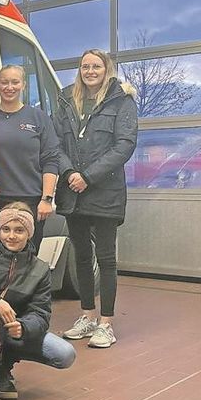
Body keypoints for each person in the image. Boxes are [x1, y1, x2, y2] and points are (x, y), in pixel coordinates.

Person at [54, 49, 138, 349]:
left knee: (106, 259)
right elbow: (54, 142)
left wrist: (87, 176)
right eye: (85, 66)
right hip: (72, 192)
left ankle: (106, 323)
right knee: (81, 257)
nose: (90, 71)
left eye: (96, 66)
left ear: (106, 69)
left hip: (104, 192)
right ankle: (87, 316)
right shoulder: (66, 99)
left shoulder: (122, 100)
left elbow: (124, 145)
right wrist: (68, 173)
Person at [0, 203, 76, 400]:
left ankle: (5, 364)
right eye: (5, 229)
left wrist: (24, 327)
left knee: (65, 353)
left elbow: (41, 313)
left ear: (30, 233)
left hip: (15, 332)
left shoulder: (40, 269)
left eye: (19, 230)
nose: (11, 236)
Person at [0, 65, 61, 251]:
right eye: (4, 82)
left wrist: (47, 199)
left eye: (15, 82)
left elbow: (51, 160)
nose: (10, 87)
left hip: (31, 202)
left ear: (23, 85)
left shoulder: (39, 118)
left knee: (27, 259)